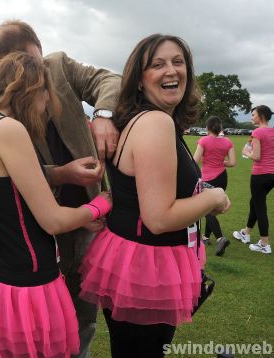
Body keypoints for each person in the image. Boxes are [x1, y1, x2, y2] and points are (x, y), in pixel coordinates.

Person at [79, 34, 231, 357]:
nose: (171, 71)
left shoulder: (153, 121)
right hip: (147, 267)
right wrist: (214, 197)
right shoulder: (156, 123)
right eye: (157, 64)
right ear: (138, 79)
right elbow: (159, 217)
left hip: (133, 260)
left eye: (178, 62)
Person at [0, 52, 112, 358]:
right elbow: (51, 221)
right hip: (28, 284)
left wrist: (78, 217)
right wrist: (101, 204)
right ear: (32, 91)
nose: (45, 108)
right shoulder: (9, 130)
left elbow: (10, 204)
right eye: (45, 97)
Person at [0, 20, 120, 357]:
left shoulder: (60, 66)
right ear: (2, 68)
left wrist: (103, 115)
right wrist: (60, 174)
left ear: (41, 50)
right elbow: (12, 172)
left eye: (33, 62)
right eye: (18, 67)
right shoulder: (0, 103)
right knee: (45, 309)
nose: (31, 74)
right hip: (44, 226)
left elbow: (110, 80)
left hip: (91, 215)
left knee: (85, 305)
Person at [233, 105, 274, 254]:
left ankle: (264, 244)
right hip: (272, 175)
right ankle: (246, 232)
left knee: (260, 207)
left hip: (260, 175)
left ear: (261, 116)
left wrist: (246, 152)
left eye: (253, 115)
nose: (251, 117)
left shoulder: (257, 132)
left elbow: (256, 156)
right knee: (254, 203)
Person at [193, 115, 235, 256]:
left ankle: (220, 238)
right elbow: (232, 162)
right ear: (220, 128)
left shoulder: (204, 140)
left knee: (207, 210)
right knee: (212, 208)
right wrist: (220, 162)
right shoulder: (227, 142)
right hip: (222, 178)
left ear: (207, 127)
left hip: (207, 178)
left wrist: (209, 161)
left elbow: (195, 161)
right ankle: (205, 237)